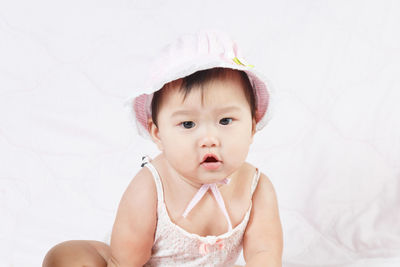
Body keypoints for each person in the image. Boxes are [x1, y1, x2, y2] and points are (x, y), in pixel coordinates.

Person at [43, 30, 283, 267]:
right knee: (67, 257)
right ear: (157, 133)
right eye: (188, 124)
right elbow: (126, 261)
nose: (209, 139)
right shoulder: (151, 186)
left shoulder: (257, 188)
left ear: (252, 126)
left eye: (225, 121)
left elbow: (265, 254)